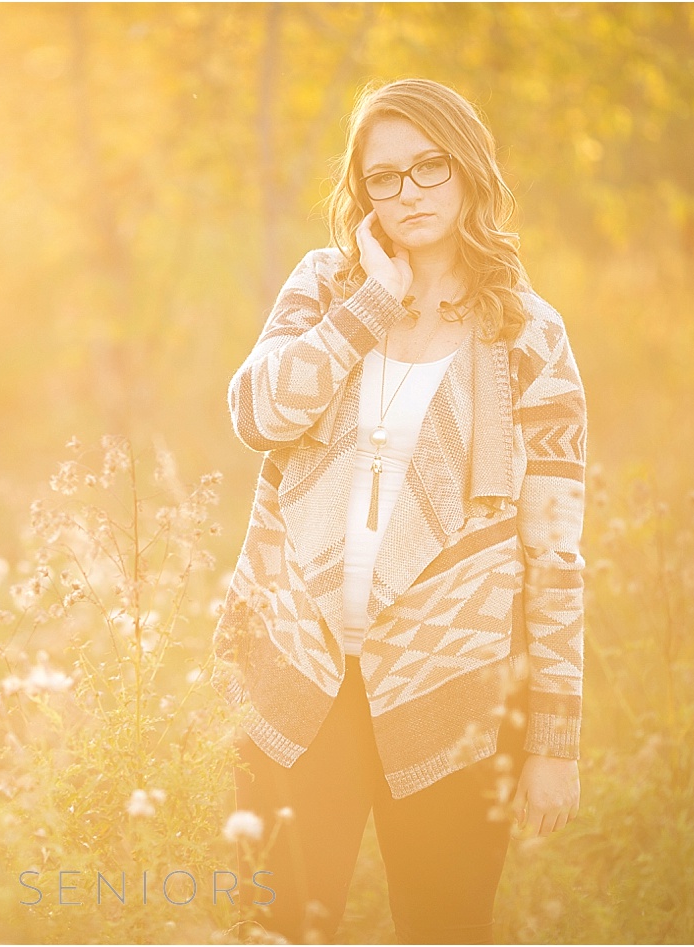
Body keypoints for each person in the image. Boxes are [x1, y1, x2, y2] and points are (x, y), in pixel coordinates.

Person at [211, 78, 587, 944]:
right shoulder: (325, 287)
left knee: (444, 928)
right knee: (278, 927)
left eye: (430, 167)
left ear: (469, 173)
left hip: (453, 689)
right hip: (301, 675)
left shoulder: (531, 337)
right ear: (361, 190)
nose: (410, 192)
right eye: (385, 177)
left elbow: (556, 550)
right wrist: (371, 303)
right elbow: (258, 414)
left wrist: (554, 741)